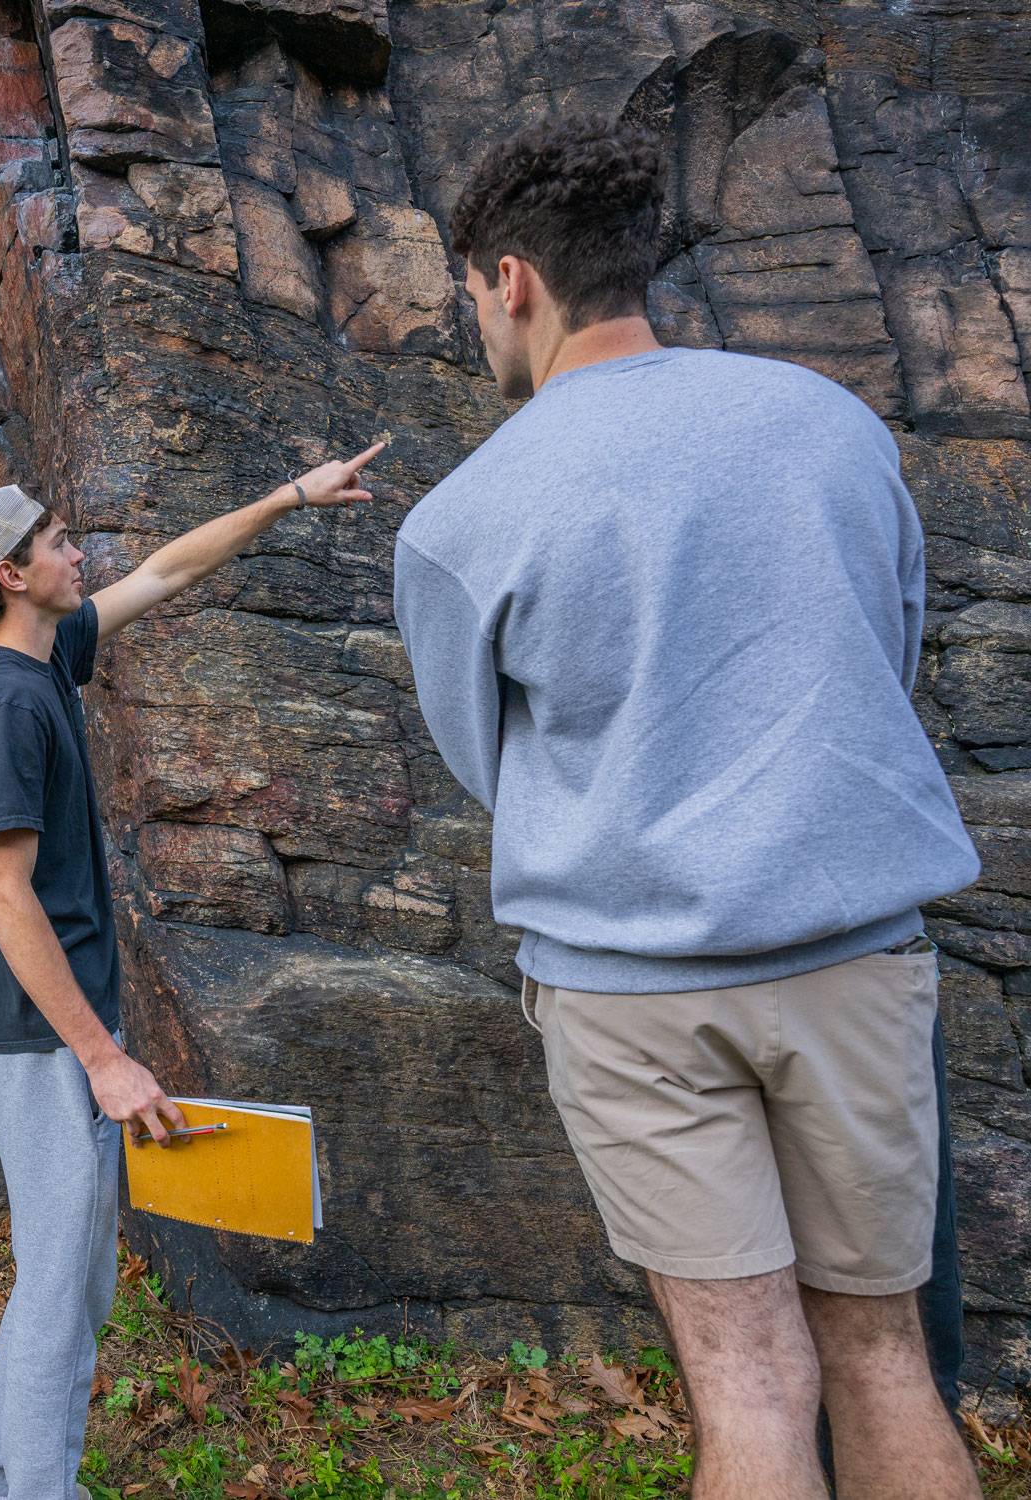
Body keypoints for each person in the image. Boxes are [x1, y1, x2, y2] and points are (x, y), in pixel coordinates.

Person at [391, 114, 983, 1499]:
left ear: (513, 279)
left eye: (471, 293)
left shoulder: (467, 514)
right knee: (887, 1360)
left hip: (629, 990)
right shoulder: (832, 426)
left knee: (752, 1388)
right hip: (850, 959)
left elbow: (488, 762)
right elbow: (877, 666)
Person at [0, 454, 381, 1500]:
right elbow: (1, 894)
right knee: (61, 1290)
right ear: (11, 573)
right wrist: (98, 1057)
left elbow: (169, 572)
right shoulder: (6, 701)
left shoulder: (44, 658)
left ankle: (3, 1484)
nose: (76, 552)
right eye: (55, 543)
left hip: (50, 1026)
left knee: (64, 1279)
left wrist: (285, 496)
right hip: (40, 1035)